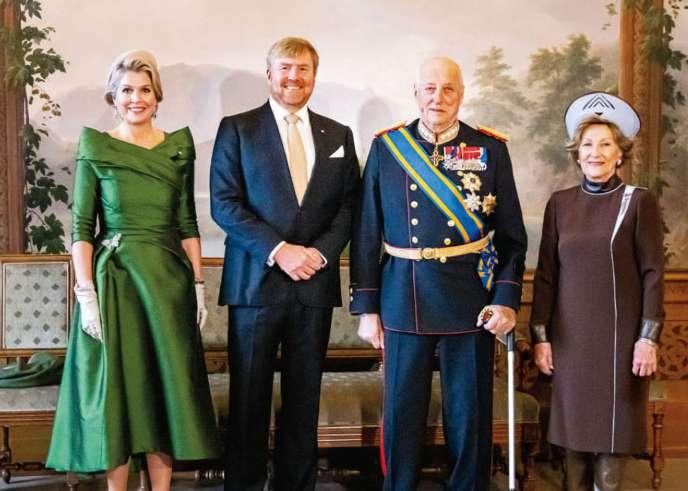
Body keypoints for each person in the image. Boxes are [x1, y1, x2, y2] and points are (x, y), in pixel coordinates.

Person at [350, 56, 527, 490]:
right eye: (429, 88)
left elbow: (512, 238)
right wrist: (367, 309)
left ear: (461, 95)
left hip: (470, 300)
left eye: (448, 89)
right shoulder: (388, 148)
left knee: (469, 415)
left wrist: (505, 300)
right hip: (403, 296)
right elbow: (366, 232)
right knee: (402, 413)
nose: (438, 97)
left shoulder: (490, 149)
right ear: (416, 93)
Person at [46, 50, 219, 491]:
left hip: (168, 285)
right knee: (119, 395)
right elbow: (81, 228)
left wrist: (198, 285)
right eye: (126, 90)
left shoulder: (178, 147)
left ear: (157, 97)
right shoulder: (96, 147)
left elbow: (187, 223)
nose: (135, 99)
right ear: (113, 96)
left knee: (163, 394)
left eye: (144, 90)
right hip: (115, 284)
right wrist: (86, 295)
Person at [209, 37, 360, 490]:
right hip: (255, 285)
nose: (294, 77)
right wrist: (280, 250)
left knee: (303, 402)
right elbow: (225, 204)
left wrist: (320, 253)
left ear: (314, 75)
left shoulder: (338, 135)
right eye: (286, 68)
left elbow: (349, 207)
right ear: (270, 74)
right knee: (248, 401)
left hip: (313, 284)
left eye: (303, 69)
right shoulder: (237, 129)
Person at [530, 92, 664, 491]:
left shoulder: (638, 202)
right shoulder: (560, 204)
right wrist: (541, 338)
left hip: (621, 344)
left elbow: (653, 274)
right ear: (577, 152)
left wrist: (648, 339)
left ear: (620, 154)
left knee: (611, 442)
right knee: (573, 444)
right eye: (588, 144)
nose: (596, 153)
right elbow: (546, 277)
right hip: (570, 342)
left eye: (606, 144)